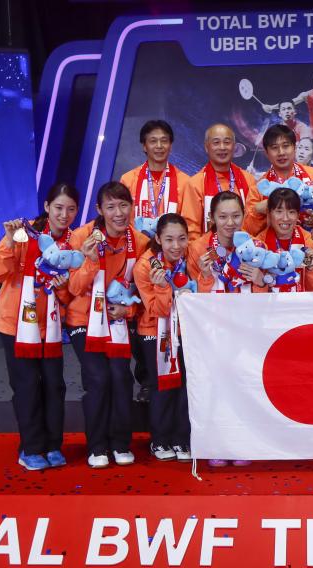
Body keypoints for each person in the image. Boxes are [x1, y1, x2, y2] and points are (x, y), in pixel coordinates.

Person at [0, 183, 79, 471]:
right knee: (27, 386)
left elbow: (68, 294)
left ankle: (52, 444)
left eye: (71, 209)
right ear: (47, 207)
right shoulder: (22, 233)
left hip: (50, 327)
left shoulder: (73, 242)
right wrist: (10, 242)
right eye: (59, 208)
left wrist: (63, 288)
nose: (64, 215)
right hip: (16, 324)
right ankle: (31, 447)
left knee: (54, 386)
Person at [66, 181, 150, 468]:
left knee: (121, 378)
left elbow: (144, 291)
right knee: (98, 379)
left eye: (124, 205)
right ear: (99, 210)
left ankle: (120, 442)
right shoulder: (81, 237)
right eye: (111, 207)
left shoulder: (139, 241)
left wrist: (128, 309)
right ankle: (97, 445)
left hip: (116, 322)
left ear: (132, 207)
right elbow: (73, 289)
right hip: (83, 319)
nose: (118, 213)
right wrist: (89, 261)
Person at [188, 191, 269, 466]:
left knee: (245, 383)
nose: (230, 223)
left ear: (244, 215)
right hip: (212, 329)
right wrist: (205, 277)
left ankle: (243, 442)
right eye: (223, 217)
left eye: (236, 215)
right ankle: (215, 443)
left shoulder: (256, 246)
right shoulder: (199, 248)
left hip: (247, 328)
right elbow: (189, 296)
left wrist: (260, 279)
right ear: (211, 218)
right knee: (214, 386)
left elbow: (267, 295)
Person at [134, 214, 214, 463]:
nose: (176, 246)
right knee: (162, 387)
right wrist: (161, 287)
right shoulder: (145, 266)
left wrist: (206, 275)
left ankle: (181, 439)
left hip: (185, 331)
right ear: (158, 238)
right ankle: (159, 440)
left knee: (185, 387)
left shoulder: (188, 259)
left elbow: (202, 296)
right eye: (169, 239)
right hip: (154, 332)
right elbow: (156, 310)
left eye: (181, 239)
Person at [120, 120, 189, 405]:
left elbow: (188, 225)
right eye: (153, 141)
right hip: (138, 257)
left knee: (166, 315)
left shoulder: (185, 181)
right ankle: (146, 379)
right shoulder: (130, 179)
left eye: (164, 140)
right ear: (143, 146)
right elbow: (121, 219)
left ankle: (170, 376)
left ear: (171, 145)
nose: (159, 146)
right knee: (139, 319)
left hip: (173, 259)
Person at [180, 123, 264, 240]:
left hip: (244, 252)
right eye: (216, 142)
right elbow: (191, 231)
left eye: (227, 142)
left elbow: (255, 223)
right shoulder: (195, 183)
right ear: (206, 147)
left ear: (234, 147)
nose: (222, 147)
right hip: (209, 253)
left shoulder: (248, 179)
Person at [256, 188, 313, 292]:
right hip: (270, 305)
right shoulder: (259, 245)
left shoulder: (310, 241)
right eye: (279, 211)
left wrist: (312, 270)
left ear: (298, 215)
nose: (285, 218)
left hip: (302, 305)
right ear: (269, 213)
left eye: (291, 212)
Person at [253, 124, 313, 230]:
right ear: (266, 153)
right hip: (273, 245)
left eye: (285, 146)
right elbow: (249, 230)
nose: (281, 152)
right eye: (274, 148)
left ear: (294, 148)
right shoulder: (260, 187)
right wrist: (258, 211)